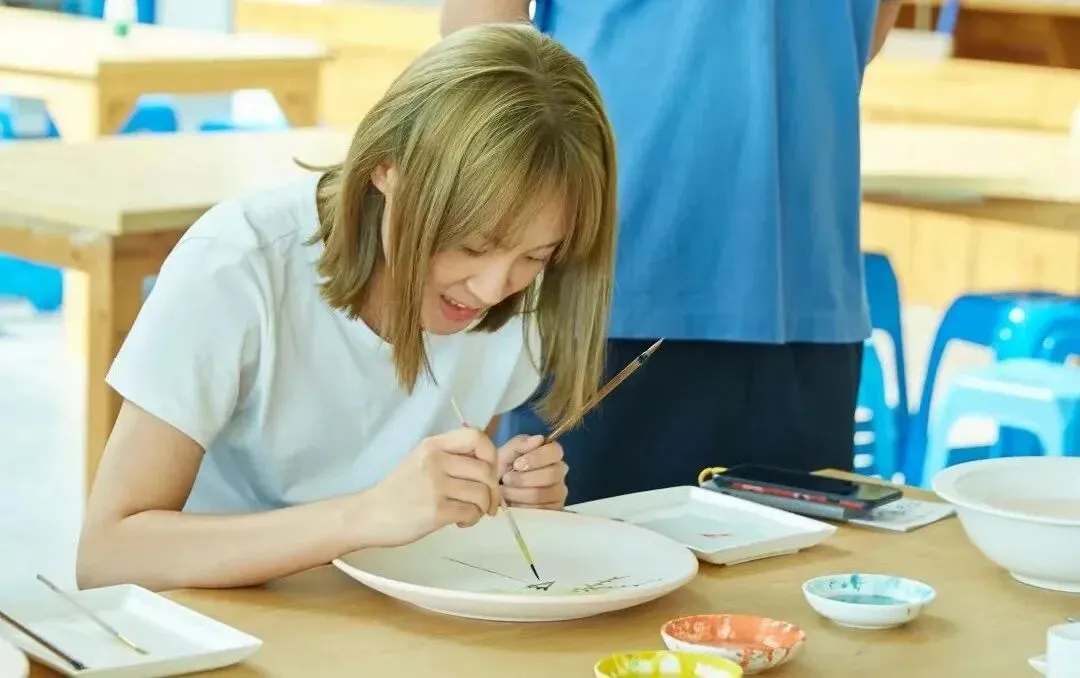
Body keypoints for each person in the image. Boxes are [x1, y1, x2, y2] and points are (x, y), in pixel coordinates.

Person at [75, 22, 618, 592]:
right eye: (472, 246)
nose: (491, 290)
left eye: (535, 256)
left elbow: (428, 518)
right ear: (386, 167)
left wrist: (489, 493)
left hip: (372, 614)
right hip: (217, 616)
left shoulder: (521, 297)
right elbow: (107, 556)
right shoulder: (237, 264)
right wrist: (364, 516)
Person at [441, 1, 903, 504]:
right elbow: (482, 36)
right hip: (606, 286)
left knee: (800, 553)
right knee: (575, 546)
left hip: (805, 298)